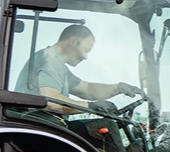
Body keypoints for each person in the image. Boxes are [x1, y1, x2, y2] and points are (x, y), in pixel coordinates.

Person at [15, 23, 143, 114]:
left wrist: (118, 87)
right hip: (40, 122)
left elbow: (87, 89)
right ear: (73, 41)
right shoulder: (50, 61)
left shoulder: (55, 63)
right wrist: (91, 107)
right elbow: (51, 101)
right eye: (85, 50)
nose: (85, 57)